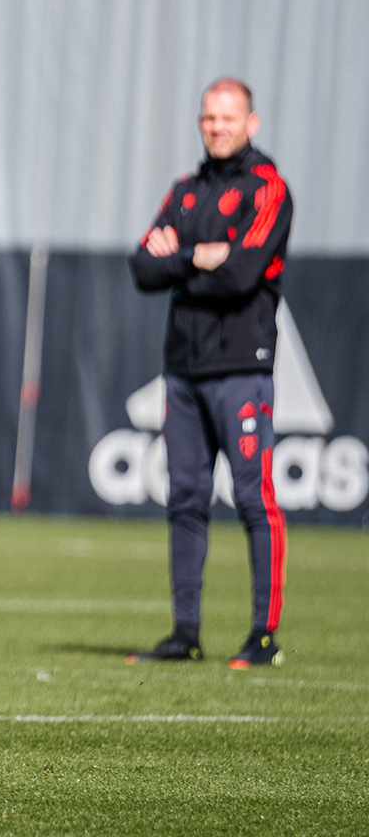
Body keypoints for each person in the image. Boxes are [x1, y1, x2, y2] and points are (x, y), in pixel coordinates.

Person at [127, 77, 292, 671]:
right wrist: (198, 254)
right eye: (209, 118)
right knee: (187, 500)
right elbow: (142, 266)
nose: (217, 127)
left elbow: (243, 274)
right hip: (183, 369)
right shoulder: (186, 190)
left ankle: (263, 636)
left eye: (229, 118)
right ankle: (185, 633)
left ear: (251, 122)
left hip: (241, 369)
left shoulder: (268, 189)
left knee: (254, 497)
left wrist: (178, 259)